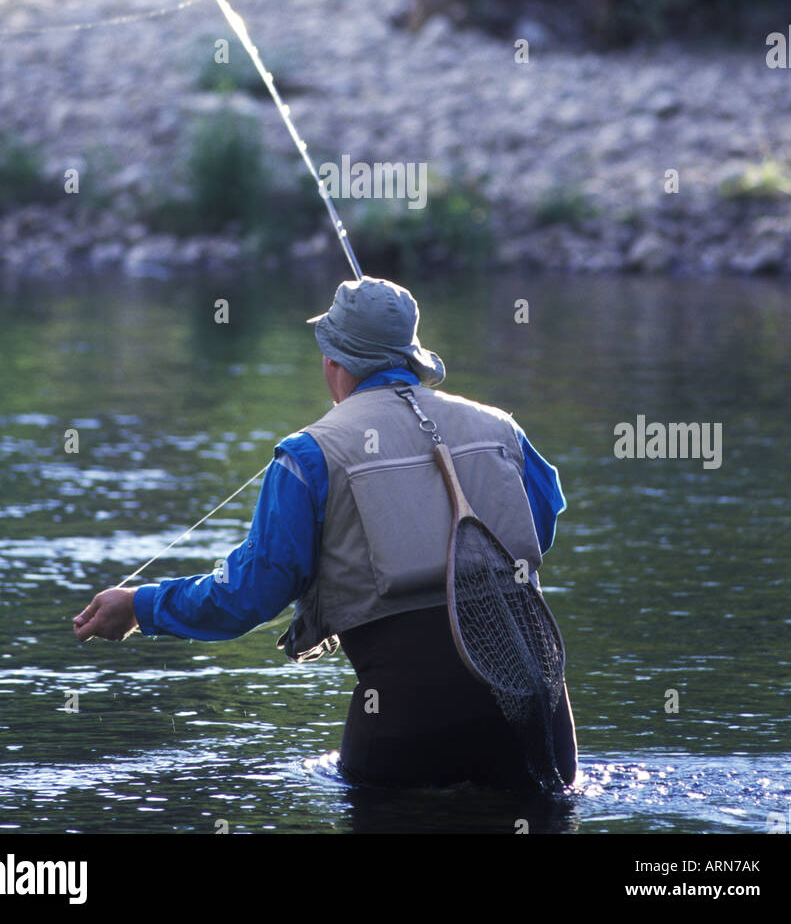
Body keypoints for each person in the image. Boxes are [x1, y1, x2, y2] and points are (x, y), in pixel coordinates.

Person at [74, 276, 577, 790]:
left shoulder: (310, 454)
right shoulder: (501, 429)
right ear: (413, 356)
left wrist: (142, 606)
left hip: (407, 728)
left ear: (334, 361)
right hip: (538, 715)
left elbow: (249, 595)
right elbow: (540, 523)